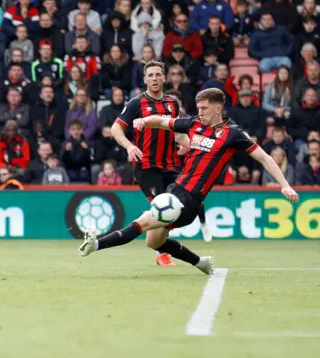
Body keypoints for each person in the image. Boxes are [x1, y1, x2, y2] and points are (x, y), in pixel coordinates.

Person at [79, 88, 299, 274]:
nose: (200, 112)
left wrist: (285, 185)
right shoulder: (194, 123)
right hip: (176, 188)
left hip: (189, 198)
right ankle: (200, 262)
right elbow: (162, 121)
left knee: (144, 221)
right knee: (153, 242)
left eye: (204, 108)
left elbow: (264, 158)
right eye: (199, 108)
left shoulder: (233, 134)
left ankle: (96, 244)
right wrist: (144, 121)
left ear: (217, 108)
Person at [111, 61, 211, 268]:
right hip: (147, 166)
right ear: (145, 79)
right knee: (161, 207)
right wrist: (129, 146)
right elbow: (115, 129)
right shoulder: (136, 103)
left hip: (172, 165)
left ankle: (161, 244)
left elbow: (177, 132)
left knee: (179, 206)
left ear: (164, 78)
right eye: (151, 75)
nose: (155, 79)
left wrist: (191, 147)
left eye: (158, 74)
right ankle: (160, 251)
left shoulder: (172, 103)